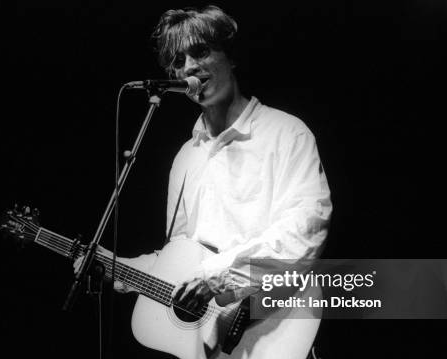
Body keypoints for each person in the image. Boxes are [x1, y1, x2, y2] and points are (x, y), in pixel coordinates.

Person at [77, 5, 332, 314]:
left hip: (270, 319)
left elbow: (305, 228)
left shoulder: (286, 133)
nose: (189, 67)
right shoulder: (186, 157)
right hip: (207, 343)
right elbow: (179, 259)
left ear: (231, 56)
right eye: (178, 61)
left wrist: (219, 278)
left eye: (200, 52)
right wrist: (118, 268)